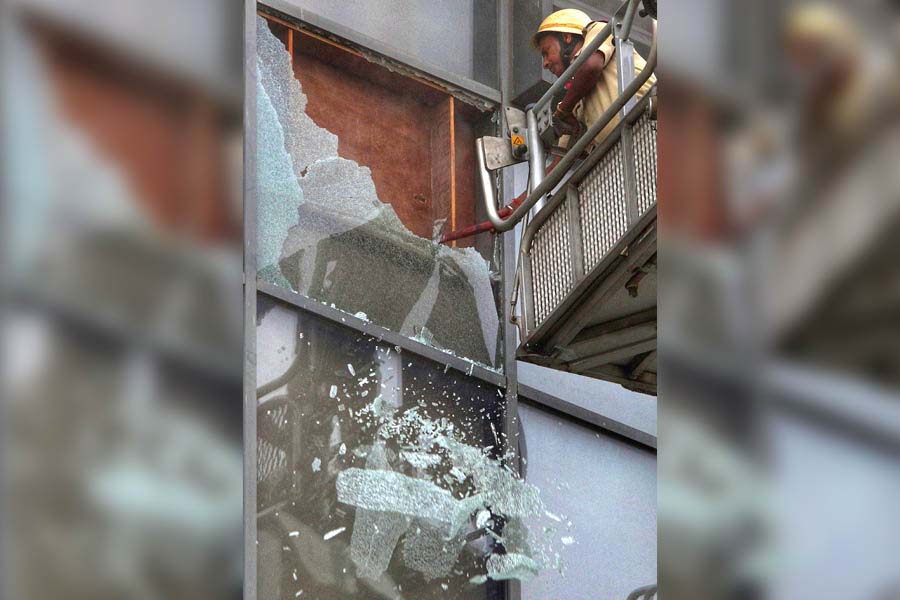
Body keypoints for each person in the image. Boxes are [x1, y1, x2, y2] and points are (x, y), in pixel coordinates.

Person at [532, 8, 656, 148]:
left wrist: (563, 110)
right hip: (627, 151)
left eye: (546, 52)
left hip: (654, 128)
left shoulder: (599, 30)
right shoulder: (576, 97)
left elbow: (591, 66)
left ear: (567, 37)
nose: (545, 64)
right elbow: (564, 151)